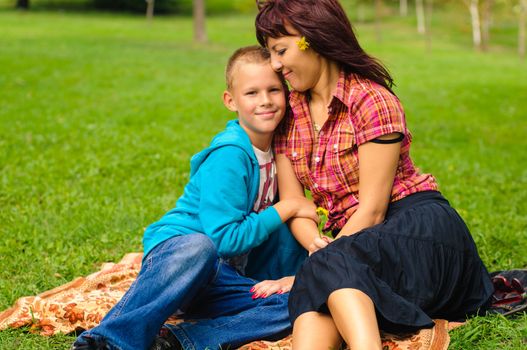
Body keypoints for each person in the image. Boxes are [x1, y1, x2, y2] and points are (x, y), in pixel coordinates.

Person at [255, 1, 494, 349]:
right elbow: (295, 203)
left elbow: (373, 210)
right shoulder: (289, 114)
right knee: (321, 277)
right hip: (357, 245)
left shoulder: (370, 100)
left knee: (325, 267)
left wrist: (324, 256)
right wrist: (315, 245)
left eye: (280, 51)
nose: (275, 65)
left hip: (415, 227)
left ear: (312, 37)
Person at [72, 45, 317, 350]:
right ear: (231, 100)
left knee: (301, 299)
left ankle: (180, 340)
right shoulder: (230, 154)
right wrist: (287, 207)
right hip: (181, 261)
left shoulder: (279, 153)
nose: (265, 101)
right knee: (200, 247)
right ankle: (108, 340)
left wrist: (290, 277)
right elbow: (225, 239)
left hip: (221, 279)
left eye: (273, 90)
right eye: (252, 93)